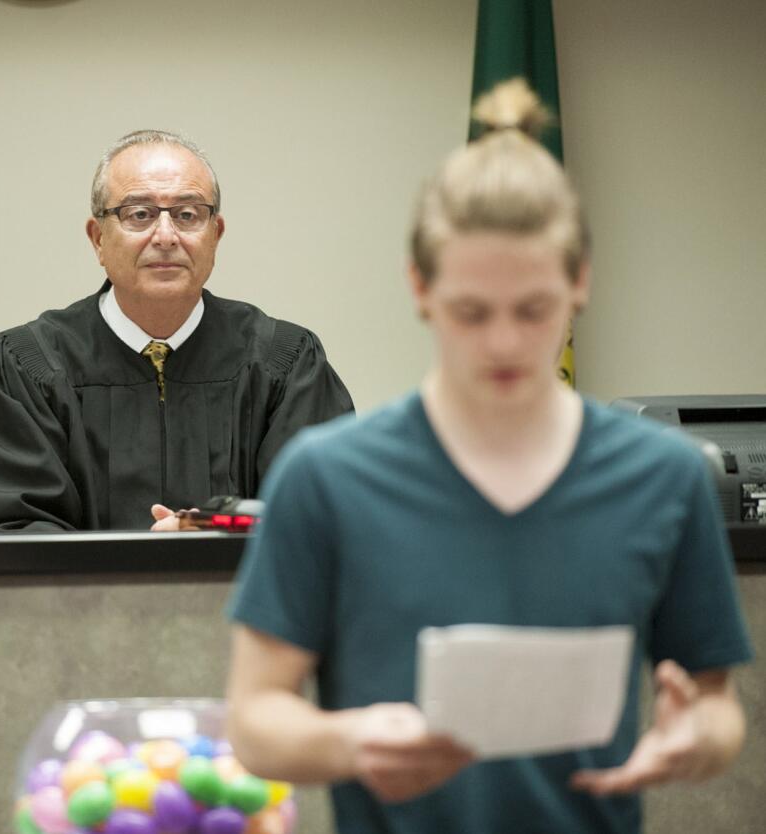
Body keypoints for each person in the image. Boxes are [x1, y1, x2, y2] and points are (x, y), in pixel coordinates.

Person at [225, 79, 752, 833]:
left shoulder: (664, 477)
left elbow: (717, 708)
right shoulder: (328, 476)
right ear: (420, 287)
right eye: (471, 312)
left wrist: (697, 738)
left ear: (580, 284)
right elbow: (255, 719)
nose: (504, 343)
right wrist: (349, 740)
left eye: (533, 310)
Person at [0, 130, 353, 531]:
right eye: (139, 214)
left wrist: (214, 544)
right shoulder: (22, 369)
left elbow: (321, 519)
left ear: (216, 234)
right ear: (98, 239)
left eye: (188, 214)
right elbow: (12, 533)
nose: (165, 236)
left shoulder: (285, 364)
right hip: (79, 597)